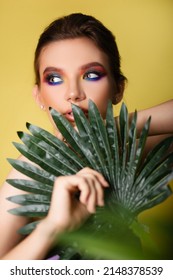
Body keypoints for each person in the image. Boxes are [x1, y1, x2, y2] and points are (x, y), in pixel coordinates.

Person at [0, 13, 172, 260]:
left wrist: (120, 127)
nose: (73, 93)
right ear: (38, 96)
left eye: (91, 75)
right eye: (55, 78)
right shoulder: (30, 170)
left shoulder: (131, 152)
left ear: (118, 89)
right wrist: (52, 227)